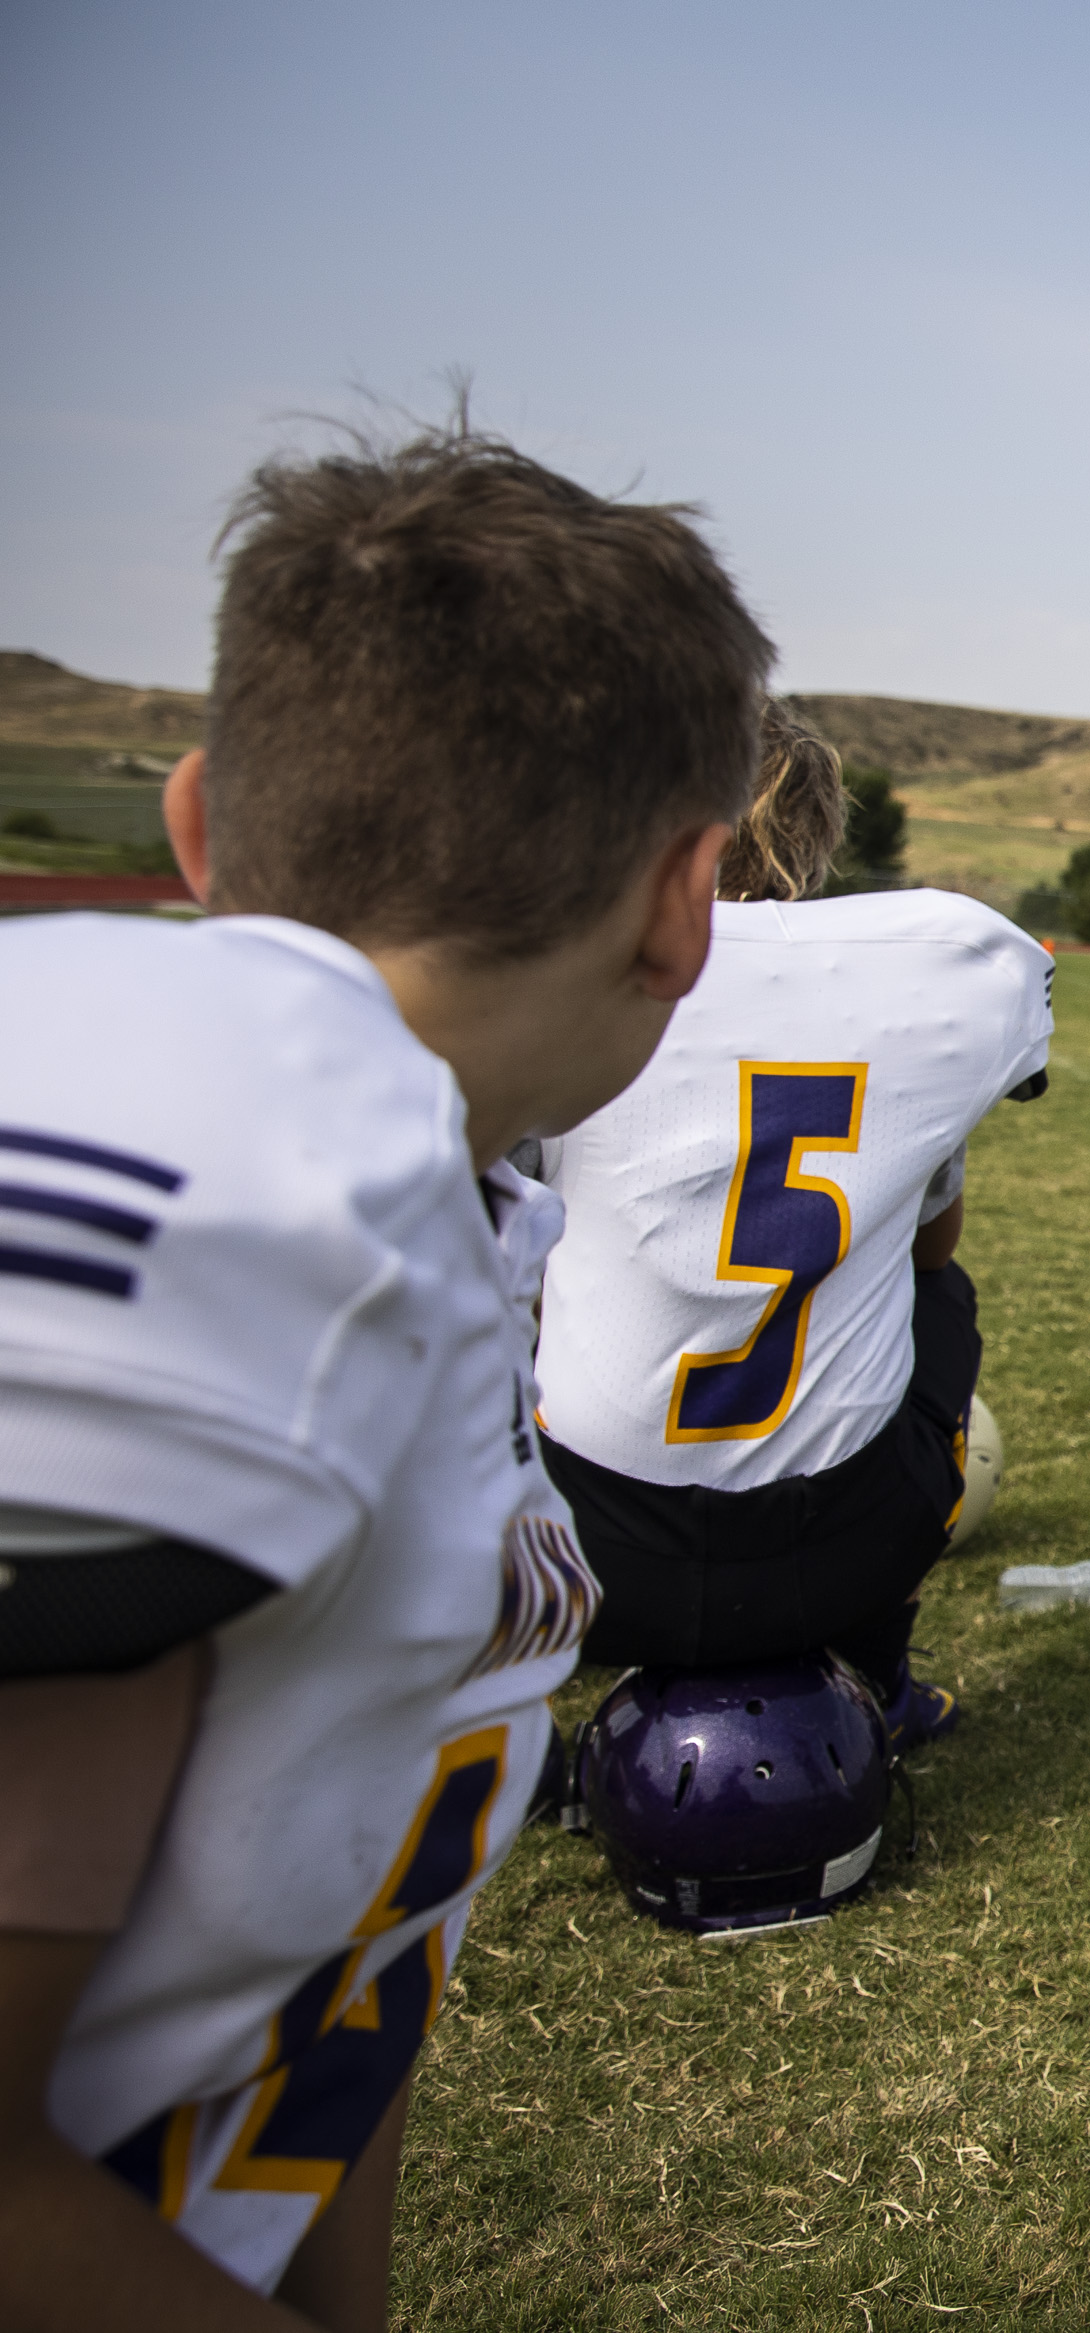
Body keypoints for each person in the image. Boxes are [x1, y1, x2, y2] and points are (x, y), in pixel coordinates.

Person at [0, 426, 767, 2327]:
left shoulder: (446, 1188)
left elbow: (322, 1977)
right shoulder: (231, 1187)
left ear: (195, 823)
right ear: (691, 898)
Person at [526, 708, 1053, 1752]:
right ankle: (882, 1668)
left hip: (586, 1567)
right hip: (834, 1553)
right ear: (816, 833)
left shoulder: (566, 969)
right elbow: (932, 1254)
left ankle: (485, 1712)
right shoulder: (932, 969)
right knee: (941, 1294)